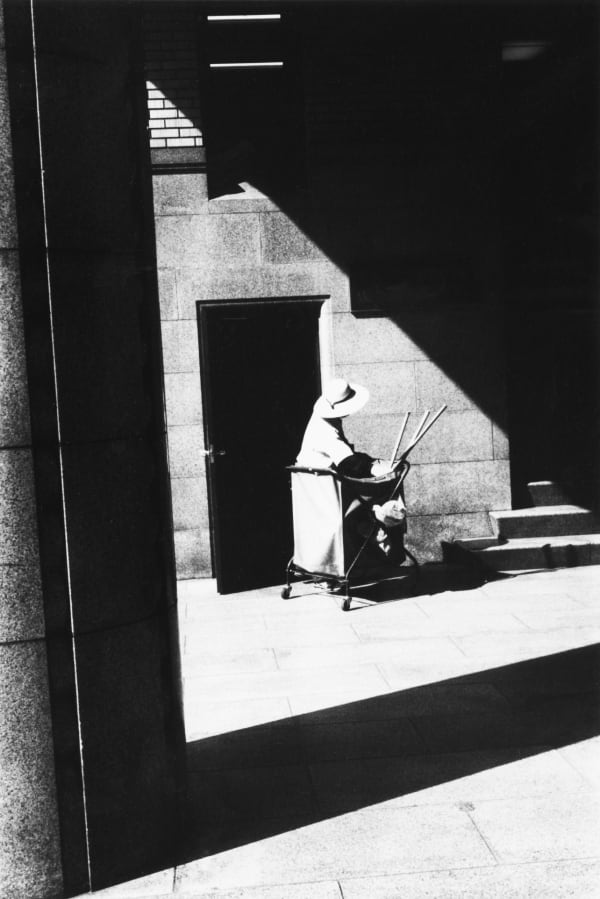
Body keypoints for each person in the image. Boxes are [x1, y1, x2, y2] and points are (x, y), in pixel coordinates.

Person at [296, 378, 406, 564]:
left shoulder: (323, 420)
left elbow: (346, 454)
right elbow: (348, 462)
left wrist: (368, 460)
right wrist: (374, 468)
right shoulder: (326, 430)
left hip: (312, 485)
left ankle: (371, 531)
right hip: (326, 489)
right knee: (382, 493)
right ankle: (377, 534)